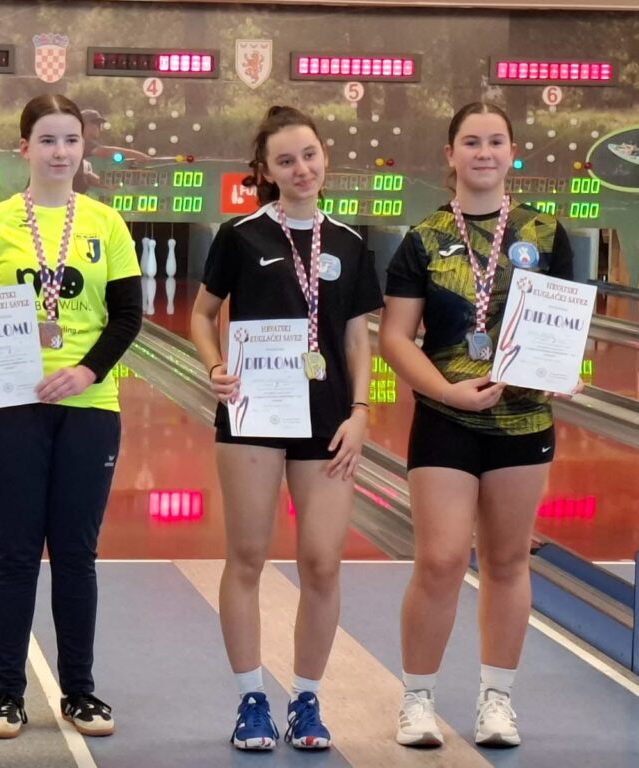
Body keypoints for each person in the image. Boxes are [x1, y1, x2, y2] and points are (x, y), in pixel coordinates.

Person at [379, 101, 576, 749]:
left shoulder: (546, 233)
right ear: (451, 154)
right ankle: (417, 700)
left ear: (511, 152)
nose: (484, 152)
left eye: (495, 141)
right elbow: (395, 337)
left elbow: (565, 324)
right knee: (439, 559)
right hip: (445, 416)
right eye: (471, 142)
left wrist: (562, 370)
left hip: (525, 420)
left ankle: (497, 700)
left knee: (507, 560)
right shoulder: (424, 238)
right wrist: (446, 391)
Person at [190, 106, 382, 751]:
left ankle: (306, 698)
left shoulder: (349, 242)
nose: (302, 168)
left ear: (324, 156)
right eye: (286, 160)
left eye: (309, 155)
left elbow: (356, 337)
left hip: (327, 418)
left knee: (323, 563)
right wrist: (214, 366)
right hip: (254, 412)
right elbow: (202, 315)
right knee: (247, 556)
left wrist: (361, 411)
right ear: (266, 171)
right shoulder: (241, 236)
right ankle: (251, 698)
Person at [0, 94, 142, 739]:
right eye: (48, 140)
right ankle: (6, 693)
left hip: (89, 408)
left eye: (71, 140)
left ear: (84, 148)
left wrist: (87, 371)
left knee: (76, 554)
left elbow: (127, 317)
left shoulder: (107, 224)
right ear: (24, 148)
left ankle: (79, 692)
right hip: (12, 409)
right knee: (14, 553)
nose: (61, 152)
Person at [72, 108, 149, 194]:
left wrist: (108, 185)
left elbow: (87, 175)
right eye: (96, 124)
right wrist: (141, 157)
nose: (99, 128)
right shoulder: (79, 141)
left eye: (100, 125)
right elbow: (106, 151)